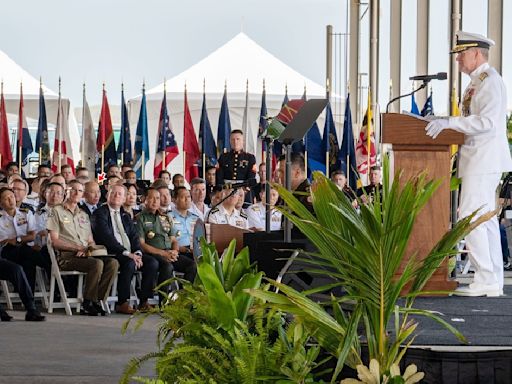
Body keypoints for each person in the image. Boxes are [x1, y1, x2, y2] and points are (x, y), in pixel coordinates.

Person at [425, 31, 512, 297]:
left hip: (483, 159)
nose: (458, 60)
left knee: (469, 218)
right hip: (479, 159)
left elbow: (487, 123)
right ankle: (492, 279)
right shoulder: (479, 81)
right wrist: (446, 120)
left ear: (476, 53)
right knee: (483, 220)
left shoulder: (489, 82)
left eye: (461, 54)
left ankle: (485, 278)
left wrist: (449, 122)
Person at [47, 180, 119, 315]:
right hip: (66, 257)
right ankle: (88, 302)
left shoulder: (84, 215)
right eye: (73, 189)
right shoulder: (55, 211)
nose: (76, 193)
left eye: (80, 191)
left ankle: (97, 300)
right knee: (96, 264)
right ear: (66, 191)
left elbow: (90, 240)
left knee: (113, 263)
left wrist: (90, 249)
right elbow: (54, 241)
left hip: (86, 254)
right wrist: (77, 248)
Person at [92, 184, 159, 314]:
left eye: (120, 194)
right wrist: (128, 254)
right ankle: (122, 302)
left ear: (124, 199)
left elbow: (134, 236)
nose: (117, 196)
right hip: (112, 252)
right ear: (107, 195)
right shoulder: (100, 213)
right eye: (114, 193)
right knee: (129, 263)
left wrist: (137, 252)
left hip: (130, 252)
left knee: (152, 263)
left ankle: (144, 301)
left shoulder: (125, 215)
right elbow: (106, 238)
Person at [136, 188, 196, 301]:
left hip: (168, 252)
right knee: (167, 267)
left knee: (192, 266)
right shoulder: (140, 218)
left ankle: (184, 300)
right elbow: (142, 244)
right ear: (144, 200)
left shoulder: (165, 217)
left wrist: (174, 251)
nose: (155, 201)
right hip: (153, 253)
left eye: (157, 198)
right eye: (151, 198)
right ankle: (162, 302)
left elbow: (173, 240)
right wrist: (163, 253)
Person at [0, 187, 51, 292]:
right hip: (7, 252)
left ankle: (29, 298)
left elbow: (32, 236)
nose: (11, 200)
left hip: (26, 250)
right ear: (1, 204)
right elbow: (5, 242)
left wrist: (17, 240)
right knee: (26, 252)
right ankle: (49, 268)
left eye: (12, 196)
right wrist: (22, 239)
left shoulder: (26, 213)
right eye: (6, 198)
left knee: (28, 262)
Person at [170, 187, 199, 257]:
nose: (187, 200)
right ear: (174, 200)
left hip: (195, 250)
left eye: (188, 197)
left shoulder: (195, 218)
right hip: (178, 251)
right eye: (183, 197)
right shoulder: (168, 217)